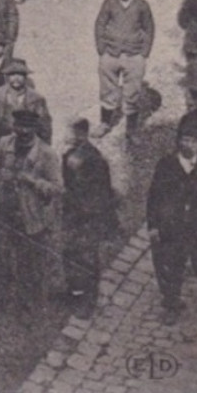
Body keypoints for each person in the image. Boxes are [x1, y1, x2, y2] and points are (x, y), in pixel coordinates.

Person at [146, 117, 197, 333]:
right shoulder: (166, 165)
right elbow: (154, 197)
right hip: (172, 229)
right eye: (185, 140)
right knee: (170, 267)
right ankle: (172, 304)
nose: (189, 145)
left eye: (194, 141)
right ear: (178, 141)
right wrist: (153, 226)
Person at [0, 109, 64, 313]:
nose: (23, 131)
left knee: (30, 263)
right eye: (19, 126)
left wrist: (33, 181)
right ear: (14, 127)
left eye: (28, 127)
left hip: (30, 215)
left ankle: (30, 306)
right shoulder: (5, 143)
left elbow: (57, 187)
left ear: (35, 129)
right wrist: (1, 173)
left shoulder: (47, 153)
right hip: (2, 209)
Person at [60, 118, 119, 319]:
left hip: (89, 216)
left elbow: (103, 192)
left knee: (87, 257)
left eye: (72, 132)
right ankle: (74, 293)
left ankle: (89, 300)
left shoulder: (95, 160)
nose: (68, 136)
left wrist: (95, 214)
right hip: (72, 214)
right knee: (69, 253)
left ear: (81, 134)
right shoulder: (68, 155)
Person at [93, 0, 155, 137]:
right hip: (111, 54)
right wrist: (101, 49)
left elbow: (149, 28)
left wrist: (144, 53)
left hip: (133, 55)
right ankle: (105, 124)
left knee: (132, 92)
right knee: (107, 90)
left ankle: (131, 129)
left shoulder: (142, 5)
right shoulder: (109, 3)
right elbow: (99, 25)